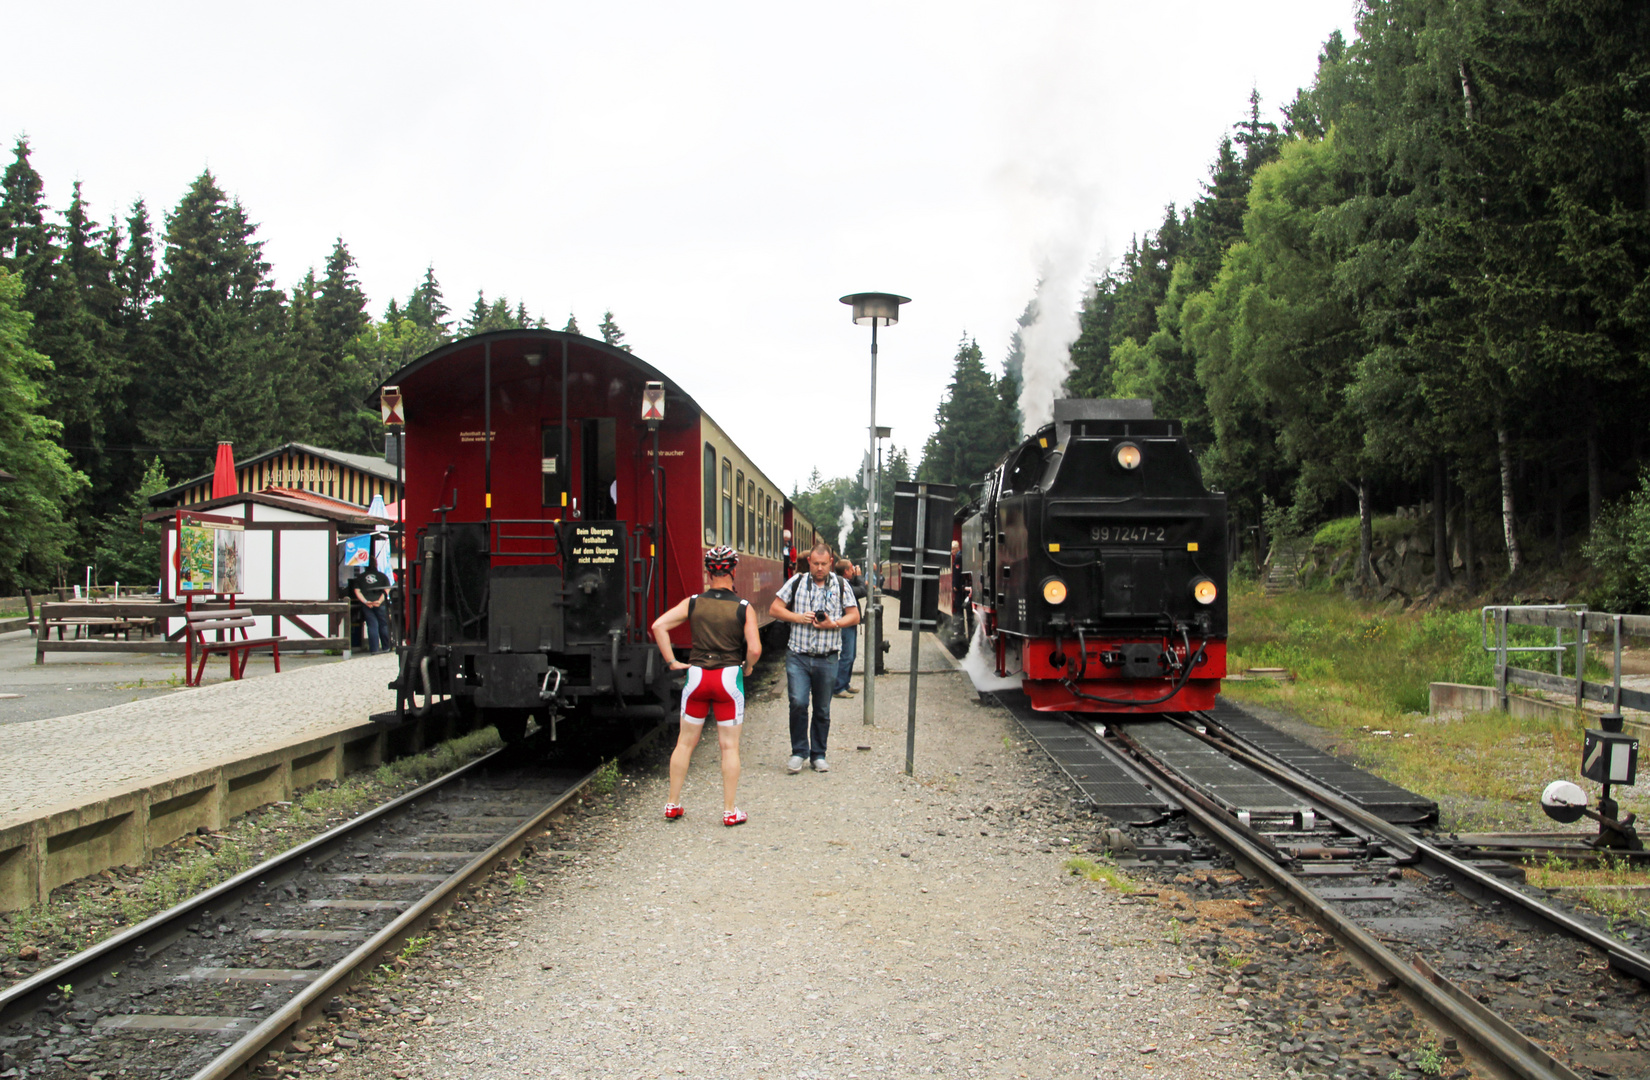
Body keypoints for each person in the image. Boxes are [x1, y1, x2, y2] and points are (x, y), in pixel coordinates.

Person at [650, 545, 762, 826]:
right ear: (733, 571)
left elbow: (658, 626)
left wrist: (673, 661)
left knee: (685, 743)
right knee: (729, 747)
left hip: (697, 677)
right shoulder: (743, 607)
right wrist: (747, 667)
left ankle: (672, 804)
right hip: (727, 679)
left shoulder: (693, 602)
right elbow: (755, 649)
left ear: (707, 572)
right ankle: (729, 811)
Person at [769, 542, 860, 774]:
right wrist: (798, 617)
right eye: (815, 563)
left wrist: (834, 623)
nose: (819, 568)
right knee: (798, 703)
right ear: (809, 562)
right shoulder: (796, 582)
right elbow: (774, 609)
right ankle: (799, 752)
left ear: (831, 562)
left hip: (827, 658)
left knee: (822, 709)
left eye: (824, 564)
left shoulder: (841, 584)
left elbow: (855, 616)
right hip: (798, 655)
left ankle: (818, 754)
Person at [833, 560, 867, 699]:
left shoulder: (846, 582)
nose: (853, 571)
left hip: (850, 623)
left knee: (851, 655)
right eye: (852, 569)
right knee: (847, 655)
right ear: (846, 571)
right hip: (845, 623)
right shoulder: (841, 584)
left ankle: (845, 683)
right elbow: (863, 591)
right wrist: (859, 577)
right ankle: (838, 687)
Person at [352, 565, 393, 655]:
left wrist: (366, 601)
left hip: (367, 605)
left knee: (372, 625)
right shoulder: (382, 576)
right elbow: (387, 589)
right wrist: (379, 600)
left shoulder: (360, 577)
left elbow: (357, 591)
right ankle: (386, 647)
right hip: (380, 604)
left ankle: (374, 649)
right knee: (384, 625)